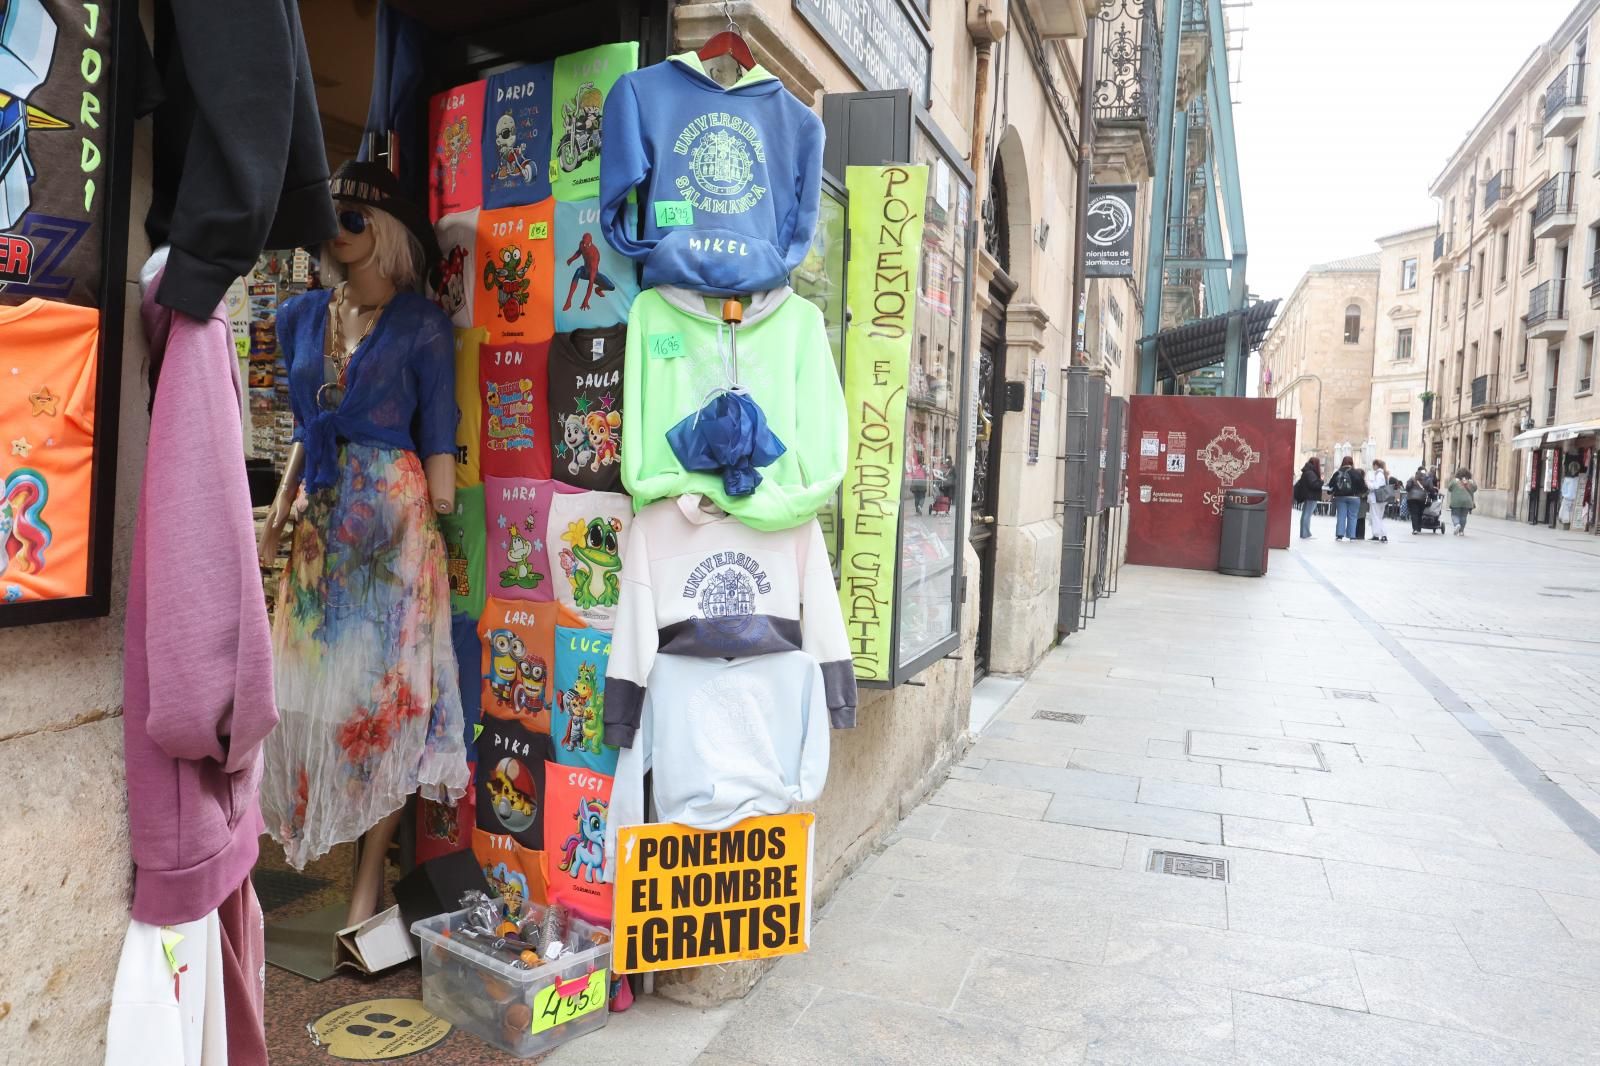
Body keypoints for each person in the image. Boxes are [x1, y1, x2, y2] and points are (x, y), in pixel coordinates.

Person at [1327, 455, 1367, 541]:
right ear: (1352, 462)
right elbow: (1363, 487)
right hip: (1354, 497)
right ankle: (1352, 536)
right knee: (1353, 516)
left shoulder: (1337, 472)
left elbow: (1330, 485)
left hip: (1340, 497)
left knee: (1341, 516)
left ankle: (1339, 535)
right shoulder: (1356, 473)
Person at [1293, 457, 1323, 539]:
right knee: (1307, 514)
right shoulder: (1310, 473)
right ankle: (1305, 533)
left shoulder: (1307, 471)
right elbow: (1313, 484)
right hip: (1311, 496)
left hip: (1308, 496)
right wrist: (1321, 481)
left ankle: (1305, 533)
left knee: (1306, 514)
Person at [1447, 466, 1478, 535]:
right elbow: (1475, 488)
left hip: (1456, 501)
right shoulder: (1470, 481)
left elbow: (1449, 488)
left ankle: (1457, 524)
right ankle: (1461, 531)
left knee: (1455, 515)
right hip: (1467, 502)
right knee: (1464, 516)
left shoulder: (1455, 480)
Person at [1367, 459, 1391, 542]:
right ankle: (1376, 534)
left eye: (1373, 465)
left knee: (1376, 517)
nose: (1373, 467)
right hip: (1380, 499)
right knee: (1377, 517)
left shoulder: (1379, 474)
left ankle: (1382, 534)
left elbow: (1376, 486)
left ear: (1376, 465)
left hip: (1376, 499)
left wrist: (1368, 484)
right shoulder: (1382, 474)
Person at [1405, 468, 1430, 534]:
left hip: (1412, 498)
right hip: (1422, 498)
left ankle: (1415, 529)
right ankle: (1419, 528)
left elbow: (1407, 487)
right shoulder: (1425, 479)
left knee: (1414, 514)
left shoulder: (1412, 479)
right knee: (1420, 513)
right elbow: (1429, 488)